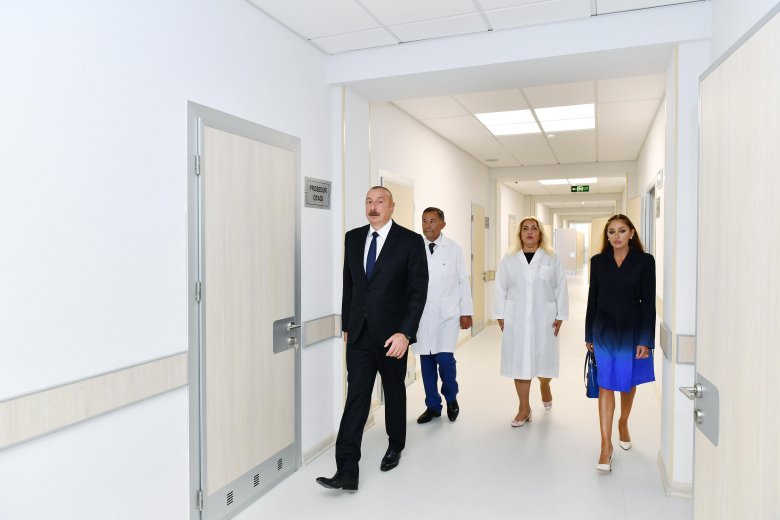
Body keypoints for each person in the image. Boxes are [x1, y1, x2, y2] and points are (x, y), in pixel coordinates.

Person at [316, 186, 428, 492]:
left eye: (380, 201)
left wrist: (406, 332)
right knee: (356, 397)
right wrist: (347, 324)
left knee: (393, 391)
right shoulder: (353, 238)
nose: (373, 207)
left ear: (392, 206)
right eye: (368, 201)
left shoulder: (410, 241)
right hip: (360, 335)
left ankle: (396, 444)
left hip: (393, 336)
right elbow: (350, 285)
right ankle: (346, 469)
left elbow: (417, 291)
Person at [585, 214, 655, 472]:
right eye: (611, 231)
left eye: (622, 230)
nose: (616, 236)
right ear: (607, 235)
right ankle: (605, 446)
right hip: (603, 328)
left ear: (632, 233)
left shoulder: (645, 262)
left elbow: (648, 302)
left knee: (627, 382)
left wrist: (645, 339)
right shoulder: (598, 262)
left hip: (631, 330)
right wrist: (588, 335)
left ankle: (623, 422)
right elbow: (592, 298)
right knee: (606, 383)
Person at [494, 217, 568, 427]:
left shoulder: (551, 258)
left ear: (540, 233)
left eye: (534, 228)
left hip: (544, 318)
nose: (529, 232)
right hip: (516, 317)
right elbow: (500, 286)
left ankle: (545, 386)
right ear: (520, 233)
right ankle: (524, 408)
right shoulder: (510, 259)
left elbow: (561, 286)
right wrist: (500, 314)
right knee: (519, 362)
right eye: (525, 228)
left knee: (544, 361)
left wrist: (561, 315)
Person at [414, 207, 473, 424]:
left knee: (445, 359)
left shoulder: (454, 249)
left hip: (447, 314)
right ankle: (432, 406)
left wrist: (466, 312)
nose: (427, 225)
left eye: (432, 221)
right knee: (427, 362)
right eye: (424, 221)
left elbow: (463, 281)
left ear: (442, 224)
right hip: (422, 316)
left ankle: (451, 397)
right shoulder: (415, 247)